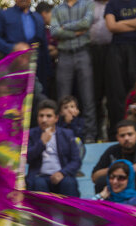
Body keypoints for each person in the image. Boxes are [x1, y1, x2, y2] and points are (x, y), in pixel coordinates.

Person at [104, 0, 136, 140]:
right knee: (116, 92)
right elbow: (111, 26)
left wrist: (121, 24)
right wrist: (135, 23)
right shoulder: (112, 4)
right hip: (117, 50)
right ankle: (118, 133)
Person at [50, 0, 97, 142]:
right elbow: (54, 31)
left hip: (83, 52)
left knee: (88, 96)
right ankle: (62, 132)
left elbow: (86, 23)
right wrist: (77, 32)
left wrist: (65, 28)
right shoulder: (57, 9)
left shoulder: (88, 4)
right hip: (64, 55)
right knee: (62, 97)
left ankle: (90, 135)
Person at [0, 0, 52, 89]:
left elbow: (44, 46)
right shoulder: (5, 15)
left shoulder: (38, 18)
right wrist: (12, 48)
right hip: (14, 68)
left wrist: (48, 71)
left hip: (36, 70)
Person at [26, 99, 81, 196]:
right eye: (41, 116)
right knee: (39, 184)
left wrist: (62, 173)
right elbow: (27, 158)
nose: (44, 120)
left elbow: (76, 160)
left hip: (62, 175)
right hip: (39, 176)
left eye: (48, 116)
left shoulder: (67, 134)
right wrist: (41, 143)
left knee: (69, 183)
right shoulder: (31, 134)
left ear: (56, 118)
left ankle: (70, 211)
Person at [89, 0, 112, 141]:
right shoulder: (87, 5)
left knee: (113, 93)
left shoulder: (115, 4)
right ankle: (95, 133)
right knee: (94, 94)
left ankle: (113, 131)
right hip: (91, 52)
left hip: (112, 51)